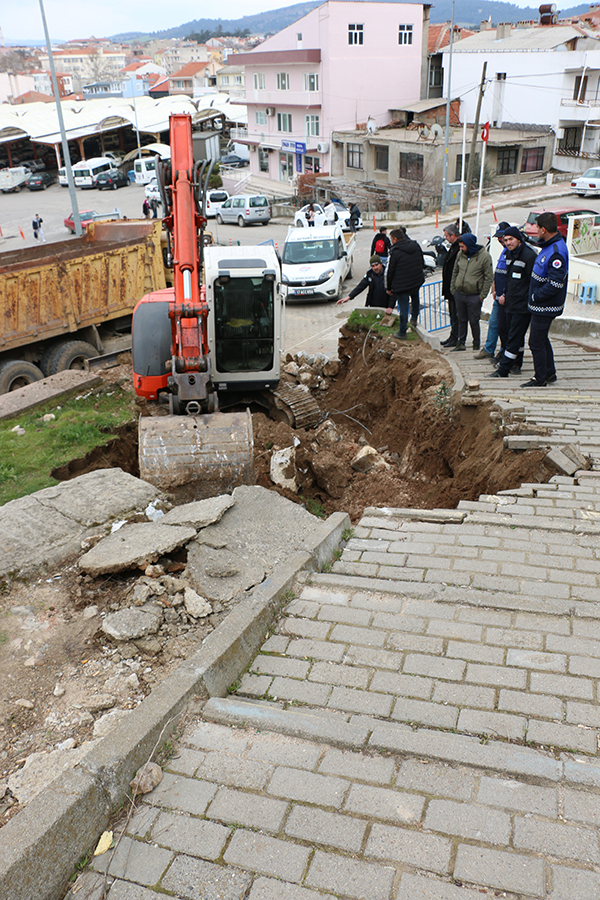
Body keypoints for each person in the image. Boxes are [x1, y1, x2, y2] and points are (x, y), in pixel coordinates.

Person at [522, 211, 568, 387]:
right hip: (541, 305)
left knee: (535, 342)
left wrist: (535, 296)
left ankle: (540, 378)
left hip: (545, 306)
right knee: (542, 339)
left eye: (536, 228)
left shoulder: (556, 252)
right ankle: (550, 373)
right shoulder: (551, 245)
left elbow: (555, 284)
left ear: (543, 229)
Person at [486, 226, 536, 379]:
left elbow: (532, 282)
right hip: (509, 303)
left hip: (522, 305)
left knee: (514, 337)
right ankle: (515, 363)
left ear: (518, 239)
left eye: (511, 239)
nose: (507, 243)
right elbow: (508, 279)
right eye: (506, 240)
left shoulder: (529, 256)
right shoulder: (508, 254)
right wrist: (504, 294)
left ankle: (504, 370)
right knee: (508, 333)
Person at [450, 232, 493, 351]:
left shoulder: (484, 257)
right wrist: (453, 289)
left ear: (469, 245)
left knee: (474, 320)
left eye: (463, 246)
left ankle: (476, 343)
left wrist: (482, 295)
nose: (461, 248)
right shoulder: (460, 254)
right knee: (461, 319)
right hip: (460, 293)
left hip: (474, 295)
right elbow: (455, 271)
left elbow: (488, 277)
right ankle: (461, 342)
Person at [475, 221, 510, 360]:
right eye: (499, 238)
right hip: (498, 295)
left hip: (507, 298)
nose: (500, 240)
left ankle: (503, 351)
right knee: (493, 323)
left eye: (503, 237)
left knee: (504, 326)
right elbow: (499, 271)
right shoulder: (503, 251)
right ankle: (489, 349)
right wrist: (494, 287)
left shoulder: (513, 252)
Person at [385, 226, 425, 338]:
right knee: (415, 299)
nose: (391, 242)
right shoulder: (415, 245)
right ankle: (414, 319)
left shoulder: (396, 251)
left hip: (402, 285)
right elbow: (422, 261)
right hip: (416, 281)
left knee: (403, 307)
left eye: (391, 239)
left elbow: (390, 271)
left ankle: (402, 332)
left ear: (395, 239)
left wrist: (388, 287)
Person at [440, 223, 461, 347]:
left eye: (447, 236)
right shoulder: (453, 247)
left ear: (453, 235)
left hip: (455, 288)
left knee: (456, 315)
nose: (446, 238)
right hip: (449, 288)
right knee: (452, 314)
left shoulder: (459, 248)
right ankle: (453, 336)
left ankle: (456, 338)